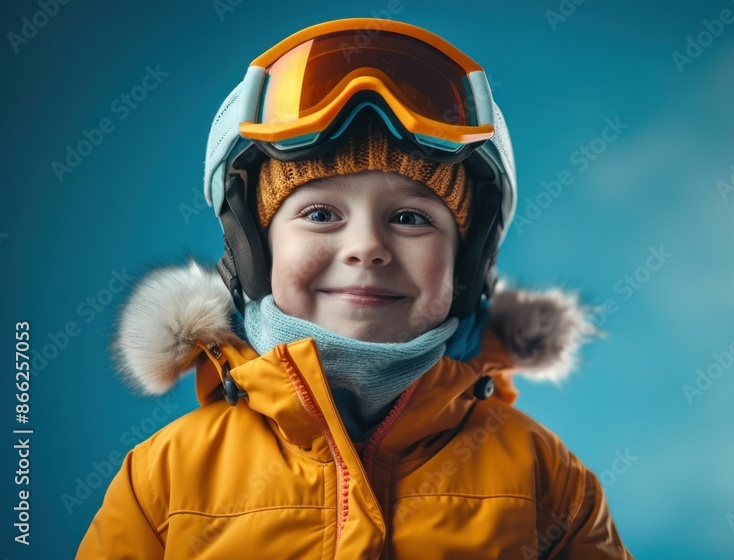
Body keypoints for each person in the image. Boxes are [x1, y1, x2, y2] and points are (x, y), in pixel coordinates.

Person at [77, 18, 633, 559]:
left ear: (467, 263)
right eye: (320, 213)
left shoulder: (543, 479)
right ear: (254, 250)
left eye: (412, 218)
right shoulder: (164, 478)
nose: (367, 246)